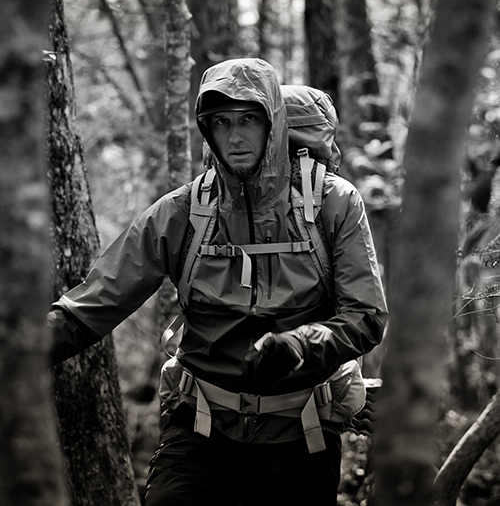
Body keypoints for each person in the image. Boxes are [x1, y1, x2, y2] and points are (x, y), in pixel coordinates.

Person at [48, 57, 388, 506]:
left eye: (249, 119)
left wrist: (303, 344)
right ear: (206, 130)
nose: (236, 135)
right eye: (221, 122)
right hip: (201, 431)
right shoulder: (183, 211)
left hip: (303, 435)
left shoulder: (331, 203)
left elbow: (366, 315)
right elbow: (91, 305)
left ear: (274, 124)